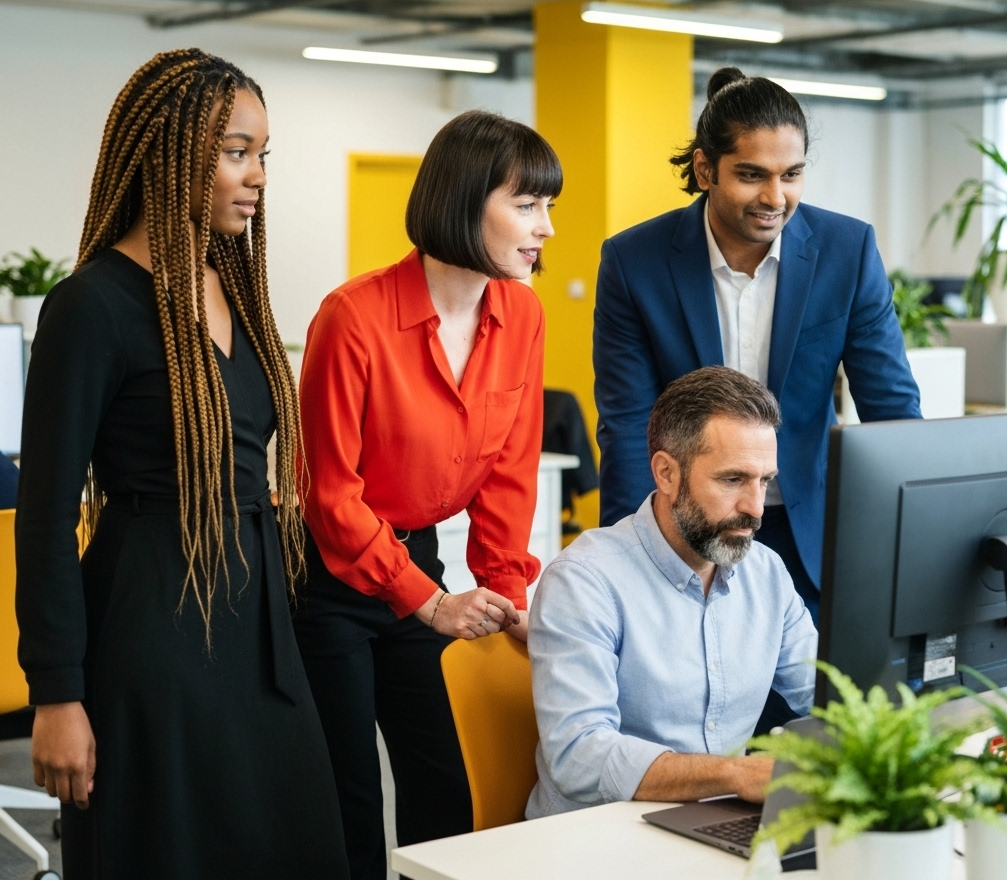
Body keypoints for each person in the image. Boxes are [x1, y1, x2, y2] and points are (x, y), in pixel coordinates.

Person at [15, 49, 349, 879]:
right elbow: (47, 516)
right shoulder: (91, 305)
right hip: (150, 630)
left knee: (294, 843)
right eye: (236, 152)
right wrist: (56, 694)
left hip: (257, 630)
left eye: (263, 154)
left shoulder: (232, 288)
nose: (257, 175)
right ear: (168, 153)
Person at [294, 110, 560, 880]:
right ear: (465, 201)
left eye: (548, 207)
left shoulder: (522, 314)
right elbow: (329, 494)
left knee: (447, 786)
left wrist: (504, 593)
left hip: (417, 564)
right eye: (527, 205)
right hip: (327, 578)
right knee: (347, 801)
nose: (545, 228)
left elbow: (510, 473)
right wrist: (429, 602)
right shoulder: (353, 317)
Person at [594, 67, 921, 621]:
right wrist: (629, 558)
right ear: (705, 169)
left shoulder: (847, 251)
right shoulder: (635, 262)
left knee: (812, 678)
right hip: (687, 528)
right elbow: (628, 424)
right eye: (751, 175)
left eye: (791, 174)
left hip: (806, 530)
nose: (775, 197)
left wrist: (917, 536)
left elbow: (891, 409)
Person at [526, 366, 817, 818]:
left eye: (764, 480)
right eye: (732, 480)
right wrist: (734, 774)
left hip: (714, 823)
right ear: (666, 473)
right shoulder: (584, 580)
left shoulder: (766, 574)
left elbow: (829, 694)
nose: (755, 507)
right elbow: (578, 756)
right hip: (595, 837)